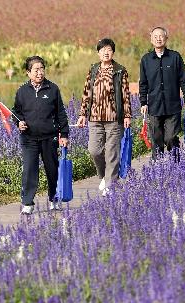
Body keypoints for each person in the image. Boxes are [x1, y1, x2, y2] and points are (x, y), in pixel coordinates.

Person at [12, 56, 70, 214]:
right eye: (36, 69)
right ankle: (27, 203)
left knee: (52, 169)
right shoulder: (22, 91)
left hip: (49, 138)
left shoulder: (53, 89)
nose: (40, 72)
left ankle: (54, 199)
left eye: (42, 69)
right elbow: (16, 112)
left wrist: (64, 134)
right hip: (29, 138)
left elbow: (61, 114)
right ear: (28, 73)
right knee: (29, 170)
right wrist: (19, 122)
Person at [75, 38, 132, 194]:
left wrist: (127, 115)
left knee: (112, 153)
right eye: (103, 50)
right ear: (98, 52)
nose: (106, 52)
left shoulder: (120, 70)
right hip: (95, 117)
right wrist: (82, 114)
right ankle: (103, 176)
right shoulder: (93, 69)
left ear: (113, 52)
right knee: (94, 150)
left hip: (114, 118)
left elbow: (125, 94)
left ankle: (110, 185)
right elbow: (86, 92)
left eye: (109, 50)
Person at [139, 26, 185, 162]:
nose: (158, 39)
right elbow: (143, 83)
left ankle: (175, 164)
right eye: (155, 36)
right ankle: (158, 167)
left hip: (172, 105)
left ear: (166, 38)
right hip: (154, 106)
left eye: (161, 36)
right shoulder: (146, 60)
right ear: (151, 39)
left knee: (170, 138)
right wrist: (143, 102)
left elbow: (183, 79)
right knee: (156, 139)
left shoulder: (175, 57)